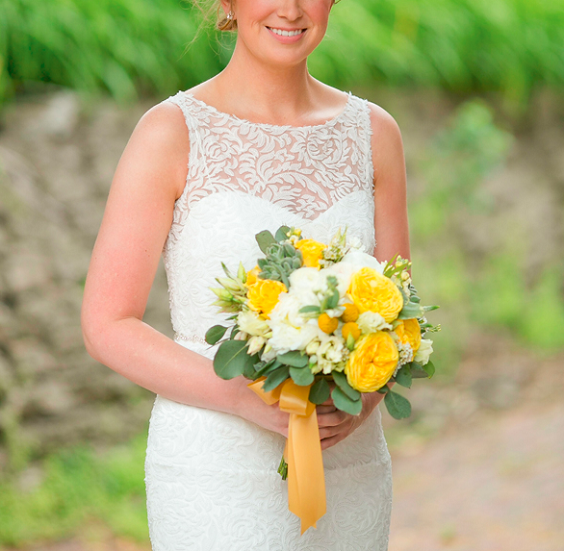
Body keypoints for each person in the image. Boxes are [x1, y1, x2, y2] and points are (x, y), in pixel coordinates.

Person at [82, 0, 410, 548]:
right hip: (216, 472)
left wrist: (361, 401)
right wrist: (239, 395)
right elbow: (107, 324)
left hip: (350, 467)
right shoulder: (169, 133)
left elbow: (398, 310)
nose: (292, 8)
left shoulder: (375, 133)